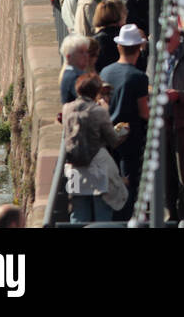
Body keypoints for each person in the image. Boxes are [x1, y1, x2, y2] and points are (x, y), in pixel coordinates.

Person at [99, 23, 150, 218]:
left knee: (111, 182)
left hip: (108, 137)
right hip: (131, 139)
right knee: (130, 184)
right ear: (138, 48)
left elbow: (102, 104)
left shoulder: (106, 72)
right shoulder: (139, 78)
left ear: (119, 47)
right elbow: (144, 113)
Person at [62, 74, 126, 223]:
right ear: (96, 92)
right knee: (102, 213)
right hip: (96, 166)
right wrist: (123, 133)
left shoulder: (66, 109)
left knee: (78, 215)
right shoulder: (99, 111)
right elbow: (113, 140)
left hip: (74, 166)